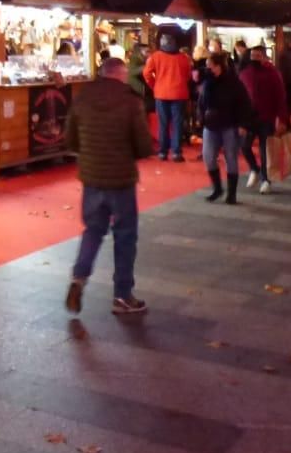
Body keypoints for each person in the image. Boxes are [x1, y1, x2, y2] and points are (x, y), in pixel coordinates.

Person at [65, 57, 152, 315]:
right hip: (121, 179)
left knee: (93, 230)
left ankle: (78, 278)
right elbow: (143, 144)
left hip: (92, 176)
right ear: (121, 75)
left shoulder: (83, 96)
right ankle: (122, 295)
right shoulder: (130, 100)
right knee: (125, 236)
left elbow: (70, 136)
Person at [199, 52, 253, 204]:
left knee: (231, 158)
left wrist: (243, 124)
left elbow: (245, 103)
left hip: (230, 124)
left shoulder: (234, 83)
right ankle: (217, 188)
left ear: (220, 66)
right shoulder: (208, 82)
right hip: (211, 125)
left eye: (211, 65)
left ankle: (231, 194)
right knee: (208, 157)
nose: (208, 68)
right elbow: (202, 102)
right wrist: (201, 118)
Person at [240, 46, 288, 194]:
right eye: (253, 55)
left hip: (266, 117)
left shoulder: (272, 73)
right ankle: (254, 169)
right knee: (245, 146)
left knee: (264, 150)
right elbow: (240, 97)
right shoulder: (244, 73)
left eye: (258, 55)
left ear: (264, 57)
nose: (255, 58)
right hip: (249, 118)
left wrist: (283, 119)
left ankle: (265, 179)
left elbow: (280, 96)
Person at [142, 29, 194, 162]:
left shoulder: (155, 56)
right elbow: (188, 76)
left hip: (161, 94)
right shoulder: (183, 58)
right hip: (179, 94)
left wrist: (155, 85)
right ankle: (176, 152)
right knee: (177, 123)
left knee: (163, 123)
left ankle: (163, 152)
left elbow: (146, 74)